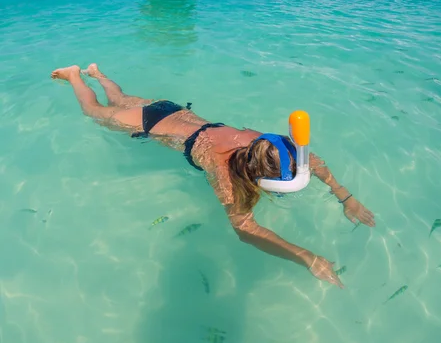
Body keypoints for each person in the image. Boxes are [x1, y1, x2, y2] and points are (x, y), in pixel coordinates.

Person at [51, 64, 375, 288]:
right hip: (147, 124)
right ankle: (76, 77)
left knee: (121, 100)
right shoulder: (223, 171)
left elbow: (311, 160)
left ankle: (97, 72)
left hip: (173, 110)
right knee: (94, 112)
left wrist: (345, 196)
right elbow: (245, 229)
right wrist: (307, 257)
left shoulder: (263, 143)